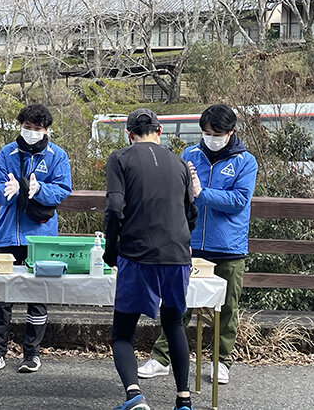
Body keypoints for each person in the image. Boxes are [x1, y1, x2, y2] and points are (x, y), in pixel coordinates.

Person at [137, 104, 258, 386]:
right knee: (177, 304)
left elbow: (239, 201)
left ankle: (221, 361)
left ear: (231, 132)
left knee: (226, 307)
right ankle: (161, 357)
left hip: (228, 247)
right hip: (188, 244)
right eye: (205, 133)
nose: (210, 138)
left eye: (216, 133)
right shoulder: (190, 155)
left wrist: (202, 194)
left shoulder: (245, 161)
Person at [104, 108, 198, 410]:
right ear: (159, 132)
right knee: (173, 325)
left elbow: (114, 206)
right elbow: (190, 212)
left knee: (123, 333)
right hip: (177, 256)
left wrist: (110, 247)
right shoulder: (180, 162)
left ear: (129, 134)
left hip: (138, 254)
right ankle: (183, 399)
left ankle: (134, 395)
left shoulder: (120, 159)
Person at [0, 103, 72, 374]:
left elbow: (62, 191)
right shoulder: (7, 152)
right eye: (27, 127)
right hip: (9, 233)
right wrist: (6, 191)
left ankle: (31, 353)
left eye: (37, 129)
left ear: (47, 130)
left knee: (37, 295)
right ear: (20, 125)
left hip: (41, 237)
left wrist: (39, 189)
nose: (31, 133)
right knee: (2, 296)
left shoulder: (57, 156)